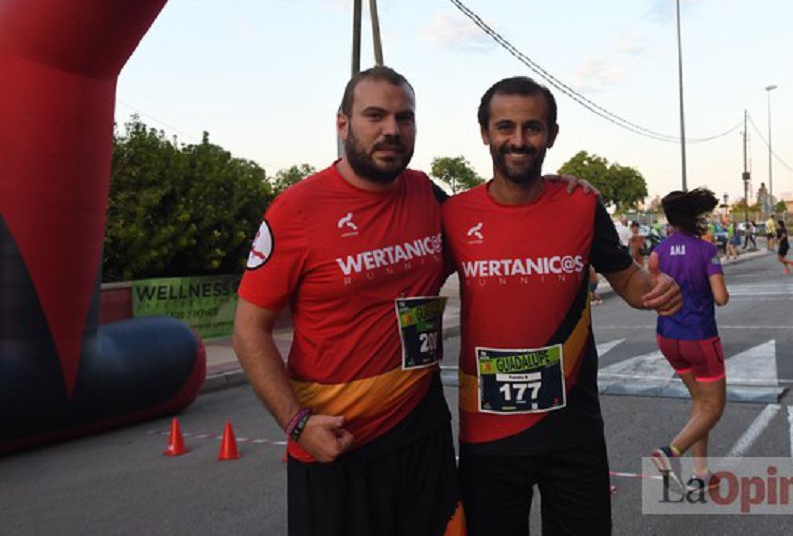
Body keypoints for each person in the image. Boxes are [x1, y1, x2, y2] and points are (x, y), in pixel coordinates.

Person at [442, 76, 682, 536]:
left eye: (532, 128)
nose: (518, 140)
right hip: (488, 439)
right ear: (484, 132)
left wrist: (656, 289)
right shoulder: (453, 214)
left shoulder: (580, 204)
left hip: (572, 434)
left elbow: (627, 277)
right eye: (505, 127)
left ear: (551, 134)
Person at [232, 66, 465, 535]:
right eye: (374, 116)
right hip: (334, 442)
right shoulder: (296, 210)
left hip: (422, 432)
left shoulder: (426, 193)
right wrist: (298, 425)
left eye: (405, 118)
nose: (391, 131)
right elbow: (248, 331)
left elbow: (495, 222)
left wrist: (550, 190)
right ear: (343, 124)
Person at [647, 189, 730, 497]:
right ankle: (671, 451)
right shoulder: (706, 250)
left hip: (668, 337)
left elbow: (651, 290)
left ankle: (700, 472)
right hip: (700, 337)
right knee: (714, 407)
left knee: (699, 402)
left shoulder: (659, 251)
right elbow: (721, 297)